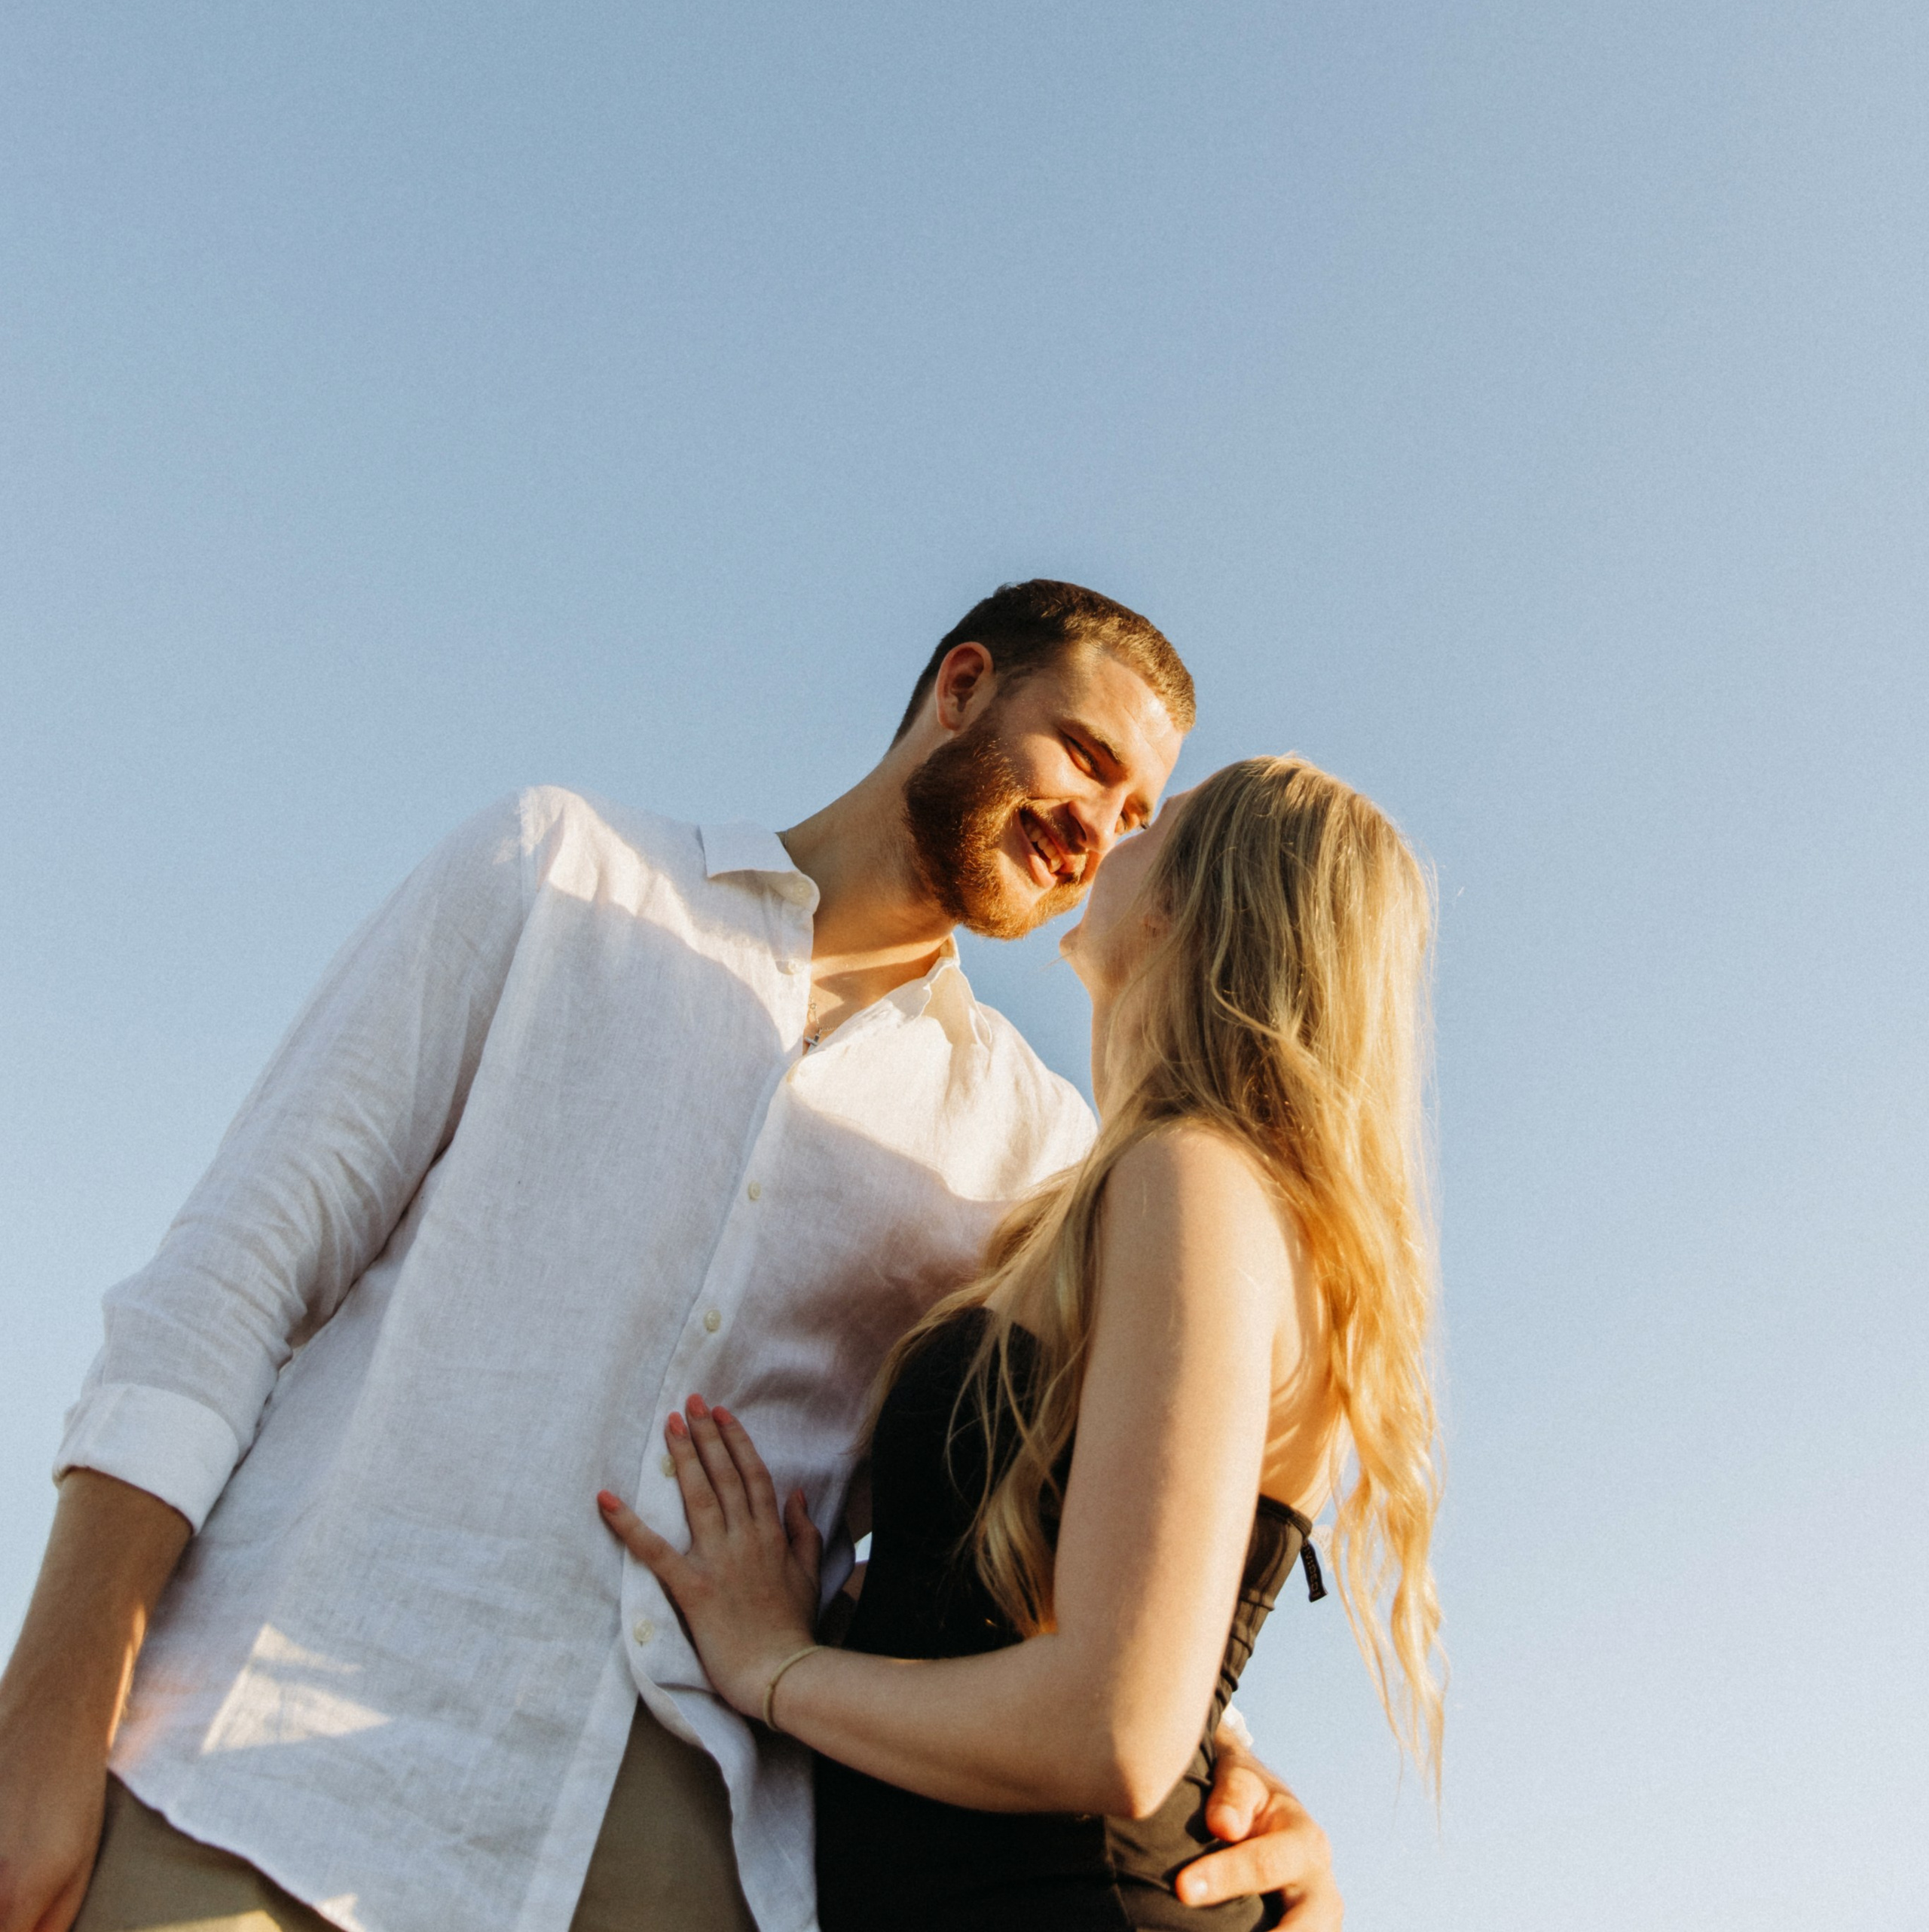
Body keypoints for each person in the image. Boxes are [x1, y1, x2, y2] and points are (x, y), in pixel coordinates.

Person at [0, 582, 1344, 1932]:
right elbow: (233, 1278)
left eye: (1132, 816)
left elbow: (1044, 1559)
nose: (1096, 832)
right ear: (963, 686)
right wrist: (46, 1709)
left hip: (686, 1863)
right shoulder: (560, 872)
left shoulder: (1031, 1149)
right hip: (266, 1794)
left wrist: (1218, 1783)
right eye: (1087, 758)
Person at [598, 752, 1443, 1929]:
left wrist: (773, 1667)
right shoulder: (1154, 1201)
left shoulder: (1189, 1178)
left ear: (1190, 902)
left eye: (1158, 820)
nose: (1111, 836)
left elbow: (1120, 1724)